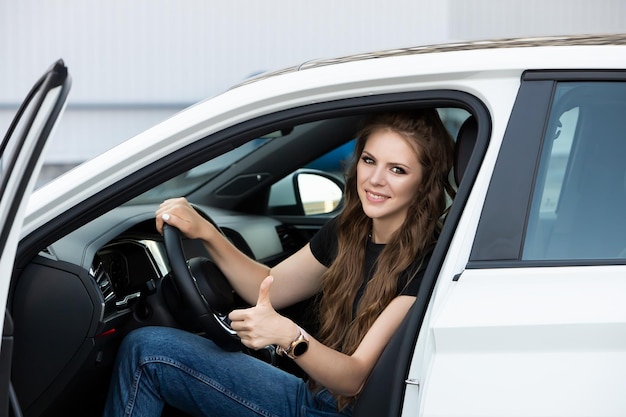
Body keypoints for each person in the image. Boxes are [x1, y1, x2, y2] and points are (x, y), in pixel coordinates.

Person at [102, 109, 456, 417]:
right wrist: (208, 233)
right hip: (313, 394)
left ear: (423, 183)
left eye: (397, 169)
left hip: (333, 409)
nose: (375, 179)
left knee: (146, 353)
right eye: (369, 160)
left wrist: (288, 336)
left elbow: (354, 377)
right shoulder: (349, 232)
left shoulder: (426, 260)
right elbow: (269, 283)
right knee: (148, 348)